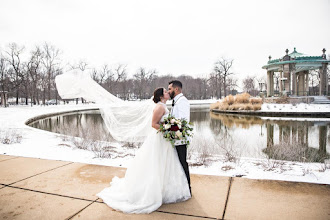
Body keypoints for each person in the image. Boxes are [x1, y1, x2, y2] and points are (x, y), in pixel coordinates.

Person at [97, 87, 191, 214]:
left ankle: (164, 189)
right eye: (165, 92)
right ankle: (152, 191)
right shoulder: (159, 107)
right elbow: (154, 124)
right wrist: (168, 129)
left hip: (164, 141)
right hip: (159, 140)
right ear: (160, 96)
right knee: (156, 164)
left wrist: (171, 127)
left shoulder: (163, 105)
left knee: (165, 164)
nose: (167, 92)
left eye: (167, 91)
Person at [168, 80, 191, 195]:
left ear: (176, 89)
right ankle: (180, 188)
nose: (169, 91)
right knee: (178, 163)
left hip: (180, 138)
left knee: (182, 163)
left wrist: (169, 129)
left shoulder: (182, 101)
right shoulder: (176, 102)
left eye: (170, 89)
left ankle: (188, 189)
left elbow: (183, 121)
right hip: (176, 137)